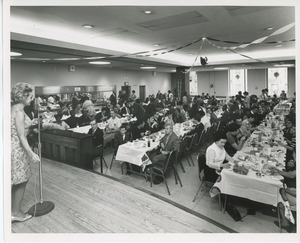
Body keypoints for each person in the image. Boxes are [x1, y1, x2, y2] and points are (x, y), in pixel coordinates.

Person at [11, 82, 40, 222]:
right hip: (17, 149)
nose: (32, 98)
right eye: (30, 96)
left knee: (14, 180)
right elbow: (21, 136)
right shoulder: (20, 112)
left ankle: (11, 210)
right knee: (21, 180)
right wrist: (31, 153)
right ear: (22, 96)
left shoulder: (12, 109)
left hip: (10, 148)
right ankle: (15, 213)